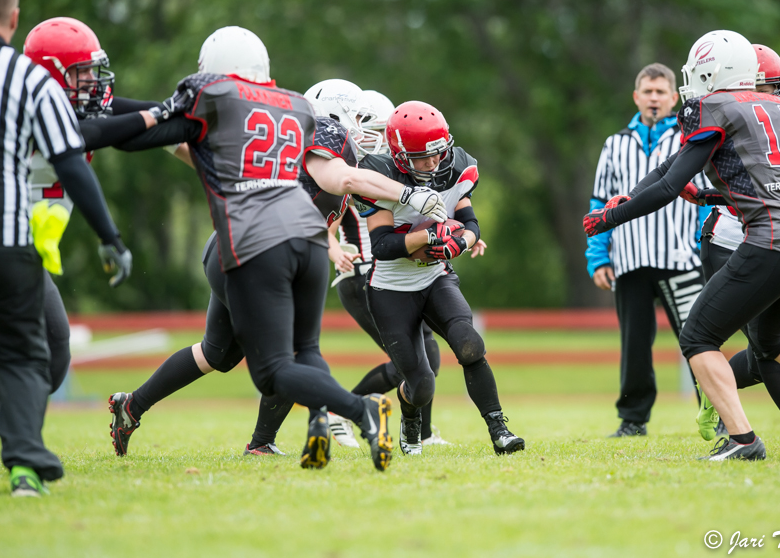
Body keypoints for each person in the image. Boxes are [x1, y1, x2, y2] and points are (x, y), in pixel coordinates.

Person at [105, 32, 449, 471]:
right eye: (365, 123)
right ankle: (326, 420)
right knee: (288, 354)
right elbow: (336, 182)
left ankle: (131, 406)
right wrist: (411, 197)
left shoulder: (288, 131)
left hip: (247, 246)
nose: (373, 137)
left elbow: (201, 150)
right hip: (258, 249)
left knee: (218, 354)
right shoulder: (320, 130)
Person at [0, 15, 181, 482]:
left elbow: (129, 121)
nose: (93, 82)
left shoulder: (69, 105)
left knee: (42, 359)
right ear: (51, 72)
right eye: (82, 72)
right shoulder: (30, 105)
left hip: (10, 252)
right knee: (38, 356)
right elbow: (88, 136)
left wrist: (194, 118)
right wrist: (158, 115)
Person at [584, 29, 780, 460]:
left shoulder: (715, 106)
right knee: (774, 336)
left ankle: (743, 440)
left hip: (772, 241)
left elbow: (669, 182)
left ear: (714, 71)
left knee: (697, 336)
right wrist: (705, 196)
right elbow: (771, 183)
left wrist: (611, 216)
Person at [682, 44, 780, 453]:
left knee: (762, 338)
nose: (758, 94)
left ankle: (748, 431)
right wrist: (708, 197)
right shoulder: (718, 111)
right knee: (765, 338)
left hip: (779, 237)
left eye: (765, 87)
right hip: (735, 235)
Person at [354, 100, 524, 456]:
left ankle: (499, 430)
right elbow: (383, 246)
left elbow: (471, 224)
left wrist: (459, 243)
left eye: (437, 153)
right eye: (421, 157)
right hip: (391, 289)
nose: (432, 163)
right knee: (421, 385)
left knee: (470, 345)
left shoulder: (456, 167)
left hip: (435, 278)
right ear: (399, 155)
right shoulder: (380, 175)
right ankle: (410, 417)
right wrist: (431, 238)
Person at [328, 89, 488, 448]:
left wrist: (461, 233)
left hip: (407, 270)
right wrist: (333, 247)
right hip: (368, 272)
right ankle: (340, 410)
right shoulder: (351, 171)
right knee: (416, 362)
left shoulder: (402, 168)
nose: (374, 137)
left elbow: (438, 209)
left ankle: (420, 433)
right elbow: (324, 218)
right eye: (368, 128)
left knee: (423, 360)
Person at [587, 63, 710, 437]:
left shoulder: (691, 140)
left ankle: (719, 410)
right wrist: (598, 256)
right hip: (630, 258)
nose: (654, 98)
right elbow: (599, 202)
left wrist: (701, 243)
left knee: (698, 339)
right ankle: (633, 419)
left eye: (661, 92)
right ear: (636, 96)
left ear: (674, 98)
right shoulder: (614, 144)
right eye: (648, 91)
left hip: (681, 259)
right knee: (635, 344)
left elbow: (706, 197)